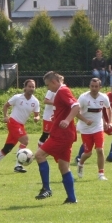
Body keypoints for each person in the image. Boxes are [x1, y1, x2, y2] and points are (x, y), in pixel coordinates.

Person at [34, 71, 81, 204]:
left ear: (54, 82)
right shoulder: (61, 91)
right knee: (63, 166)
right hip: (65, 134)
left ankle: (46, 189)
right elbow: (68, 108)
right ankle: (71, 198)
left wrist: (66, 120)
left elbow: (76, 106)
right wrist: (58, 117)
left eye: (48, 85)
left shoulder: (62, 91)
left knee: (39, 155)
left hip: (62, 135)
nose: (48, 88)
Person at [0, 79, 40, 174]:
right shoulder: (17, 97)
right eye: (29, 86)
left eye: (33, 87)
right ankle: (18, 165)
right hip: (13, 122)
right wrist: (5, 116)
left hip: (21, 125)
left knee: (7, 148)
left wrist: (36, 118)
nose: (31, 88)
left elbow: (37, 115)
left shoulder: (35, 101)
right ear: (25, 87)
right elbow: (6, 106)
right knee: (25, 140)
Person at [75, 78, 112, 181]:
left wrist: (109, 122)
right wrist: (85, 120)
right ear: (89, 86)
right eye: (92, 86)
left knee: (100, 150)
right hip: (85, 128)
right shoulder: (83, 97)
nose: (94, 88)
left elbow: (108, 108)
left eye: (96, 86)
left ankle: (101, 174)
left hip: (98, 127)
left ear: (100, 87)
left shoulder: (103, 97)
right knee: (88, 153)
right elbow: (76, 112)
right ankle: (80, 163)